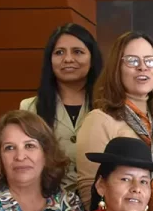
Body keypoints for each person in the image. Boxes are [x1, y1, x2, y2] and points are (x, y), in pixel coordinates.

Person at [76, 31, 153, 211]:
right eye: (132, 61)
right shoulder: (99, 120)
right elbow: (90, 192)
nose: (143, 67)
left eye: (150, 60)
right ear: (116, 68)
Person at [20, 23, 104, 192]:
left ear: (92, 58)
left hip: (100, 204)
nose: (68, 59)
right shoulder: (30, 108)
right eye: (59, 52)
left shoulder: (109, 106)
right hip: (49, 204)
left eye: (77, 52)